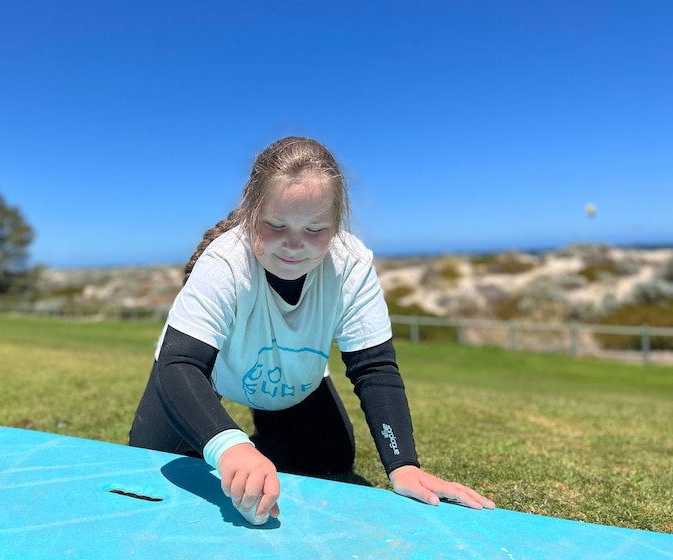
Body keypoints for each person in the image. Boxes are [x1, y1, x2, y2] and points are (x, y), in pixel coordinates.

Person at [129, 136, 495, 525]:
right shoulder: (225, 260)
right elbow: (179, 363)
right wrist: (229, 445)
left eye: (315, 228)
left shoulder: (351, 264)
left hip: (292, 381)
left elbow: (374, 369)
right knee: (148, 458)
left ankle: (265, 429)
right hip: (206, 377)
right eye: (276, 224)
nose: (294, 245)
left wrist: (403, 464)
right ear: (252, 212)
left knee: (330, 458)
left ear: (336, 224)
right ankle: (234, 436)